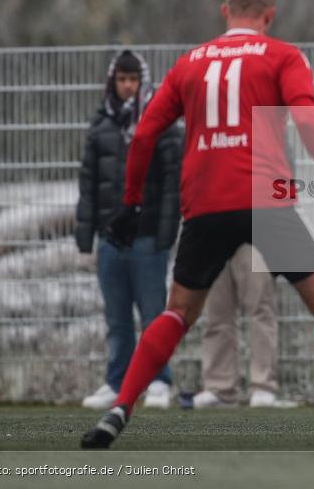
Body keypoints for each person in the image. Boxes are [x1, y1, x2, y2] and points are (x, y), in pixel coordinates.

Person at [81, 0, 314, 449]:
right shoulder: (284, 55)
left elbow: (142, 135)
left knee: (178, 312)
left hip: (204, 203)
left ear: (226, 11)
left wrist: (132, 202)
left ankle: (119, 410)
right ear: (269, 13)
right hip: (266, 197)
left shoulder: (189, 63)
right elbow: (306, 119)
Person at [75, 50, 182, 410]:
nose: (127, 86)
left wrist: (167, 233)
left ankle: (158, 380)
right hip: (110, 237)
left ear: (143, 81)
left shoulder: (162, 122)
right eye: (121, 79)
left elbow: (173, 183)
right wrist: (85, 232)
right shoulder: (100, 124)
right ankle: (116, 382)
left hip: (148, 235)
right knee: (116, 316)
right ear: (112, 81)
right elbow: (88, 181)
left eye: (133, 79)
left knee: (153, 314)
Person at [193, 244, 297, 409]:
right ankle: (220, 388)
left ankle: (263, 386)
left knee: (261, 310)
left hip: (252, 235)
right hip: (212, 234)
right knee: (216, 315)